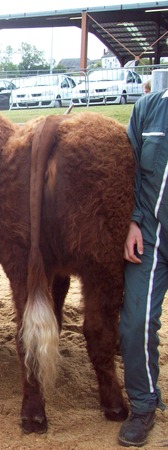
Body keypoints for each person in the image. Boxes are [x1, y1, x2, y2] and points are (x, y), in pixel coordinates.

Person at [118, 88, 167, 447]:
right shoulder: (149, 109)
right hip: (151, 233)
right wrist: (132, 221)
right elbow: (127, 167)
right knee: (135, 323)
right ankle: (143, 403)